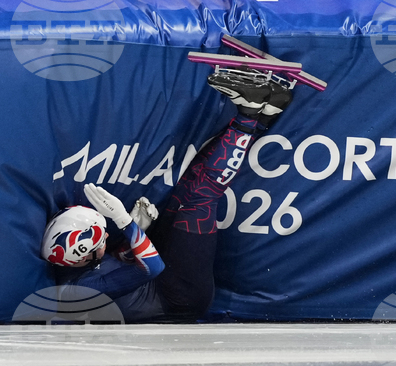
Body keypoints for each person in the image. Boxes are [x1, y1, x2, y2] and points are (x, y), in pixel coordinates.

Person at [40, 67, 294, 323]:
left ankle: (265, 115)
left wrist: (137, 232)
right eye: (100, 239)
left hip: (160, 282)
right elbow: (151, 267)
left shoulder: (78, 264)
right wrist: (124, 222)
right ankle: (249, 112)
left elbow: (116, 269)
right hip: (180, 298)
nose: (106, 234)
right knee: (200, 199)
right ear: (83, 257)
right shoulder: (78, 292)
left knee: (188, 186)